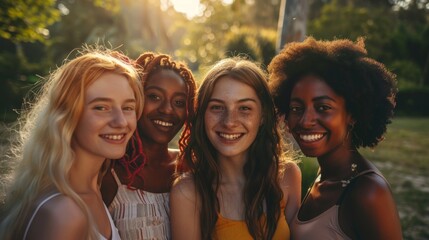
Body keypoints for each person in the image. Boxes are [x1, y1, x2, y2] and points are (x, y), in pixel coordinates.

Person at [0, 48, 144, 240]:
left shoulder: (92, 190)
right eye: (101, 107)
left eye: (127, 107)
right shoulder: (63, 214)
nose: (121, 122)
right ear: (67, 116)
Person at [268, 37, 403, 239]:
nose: (305, 120)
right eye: (296, 108)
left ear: (353, 114)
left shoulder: (368, 192)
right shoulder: (327, 176)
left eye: (323, 108)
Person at [170, 58, 301, 240]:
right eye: (217, 107)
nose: (229, 122)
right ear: (202, 114)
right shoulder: (188, 193)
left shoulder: (286, 176)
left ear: (262, 115)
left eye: (244, 108)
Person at [100, 52, 197, 240]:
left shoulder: (192, 167)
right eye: (154, 96)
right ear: (135, 99)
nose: (167, 109)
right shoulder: (107, 173)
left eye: (178, 102)